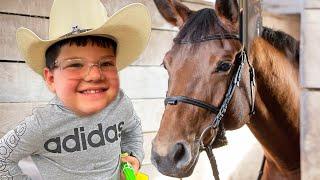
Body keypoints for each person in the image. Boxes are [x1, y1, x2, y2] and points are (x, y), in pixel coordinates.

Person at [0, 0, 151, 179]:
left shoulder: (120, 103)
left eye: (105, 63)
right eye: (76, 64)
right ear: (51, 79)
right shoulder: (41, 124)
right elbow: (3, 158)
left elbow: (132, 126)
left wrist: (133, 154)